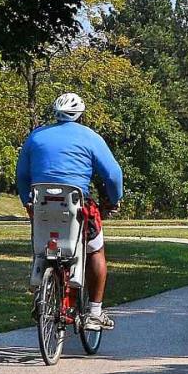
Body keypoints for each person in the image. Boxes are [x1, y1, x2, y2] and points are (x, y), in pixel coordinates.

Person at [17, 92, 124, 330]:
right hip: (76, 204)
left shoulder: (36, 137)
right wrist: (114, 199)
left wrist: (27, 201)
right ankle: (95, 312)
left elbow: (22, 175)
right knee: (95, 249)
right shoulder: (90, 137)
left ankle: (43, 289)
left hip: (41, 203)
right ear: (80, 115)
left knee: (44, 245)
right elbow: (114, 175)